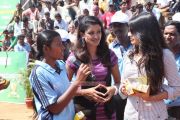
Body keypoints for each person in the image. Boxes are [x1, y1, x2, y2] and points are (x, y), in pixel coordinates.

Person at [120, 12, 180, 120]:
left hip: (155, 115)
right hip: (131, 115)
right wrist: (124, 89)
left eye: (132, 31)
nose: (129, 34)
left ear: (144, 32)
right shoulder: (129, 55)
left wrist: (152, 96)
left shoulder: (164, 55)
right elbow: (122, 86)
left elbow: (177, 89)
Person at [66, 16, 120, 120]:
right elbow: (64, 88)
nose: (96, 36)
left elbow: (118, 82)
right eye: (91, 33)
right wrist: (84, 92)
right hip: (84, 114)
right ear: (82, 34)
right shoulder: (74, 58)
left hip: (108, 113)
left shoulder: (109, 55)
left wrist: (112, 89)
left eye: (99, 32)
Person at [29, 30, 91, 120]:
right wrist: (77, 82)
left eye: (62, 44)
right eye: (58, 44)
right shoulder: (38, 73)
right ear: (46, 48)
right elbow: (55, 109)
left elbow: (66, 94)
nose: (63, 48)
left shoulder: (61, 64)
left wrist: (76, 112)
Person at [109, 13, 131, 120]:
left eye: (120, 25)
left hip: (134, 92)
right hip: (117, 92)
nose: (117, 28)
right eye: (114, 25)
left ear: (128, 26)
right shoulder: (109, 48)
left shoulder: (137, 46)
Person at [163, 20, 180, 120]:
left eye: (172, 34)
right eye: (165, 33)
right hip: (160, 107)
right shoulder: (161, 55)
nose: (168, 37)